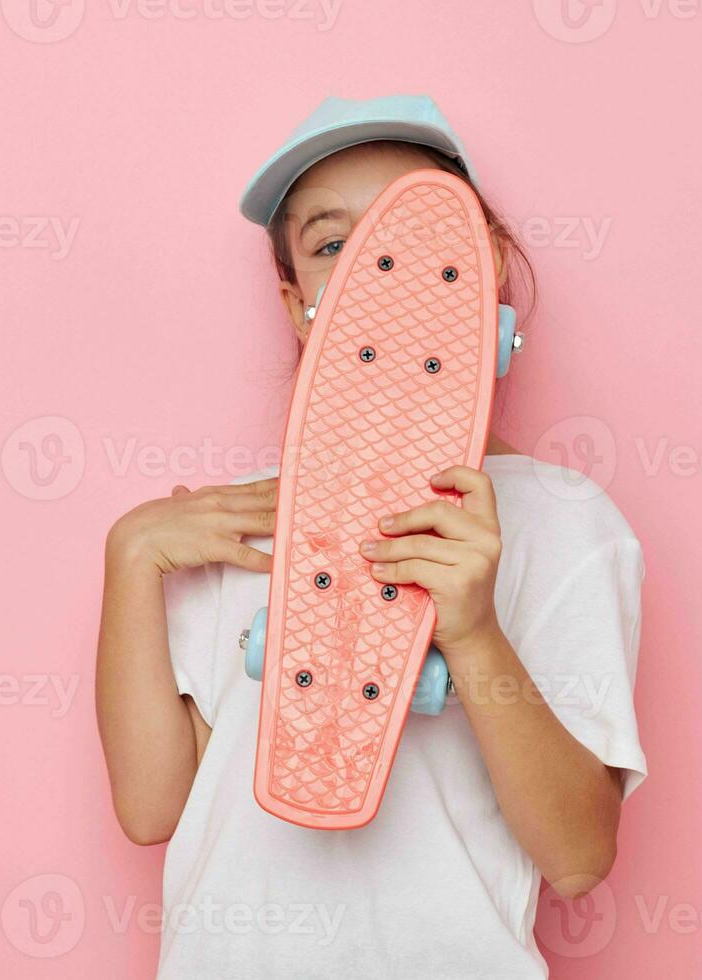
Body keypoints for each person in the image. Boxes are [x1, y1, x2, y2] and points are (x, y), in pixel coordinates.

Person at [96, 94, 647, 980]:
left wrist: (471, 631)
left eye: (413, 234)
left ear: (483, 267)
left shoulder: (565, 525)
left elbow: (578, 855)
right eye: (330, 245)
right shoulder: (228, 527)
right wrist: (129, 561)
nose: (373, 273)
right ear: (296, 303)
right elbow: (153, 808)